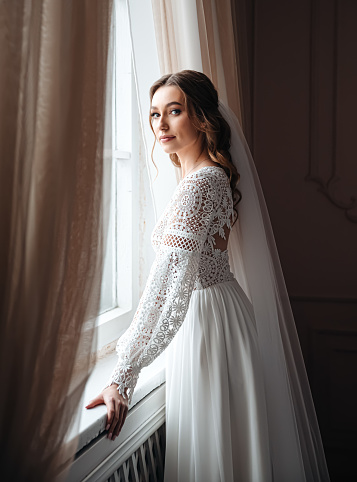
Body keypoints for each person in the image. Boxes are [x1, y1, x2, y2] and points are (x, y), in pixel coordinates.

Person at [86, 70, 330, 481]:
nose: (160, 124)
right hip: (220, 315)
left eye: (174, 111)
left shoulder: (201, 184)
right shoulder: (209, 177)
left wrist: (122, 375)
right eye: (154, 114)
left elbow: (165, 285)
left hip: (208, 326)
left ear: (202, 118)